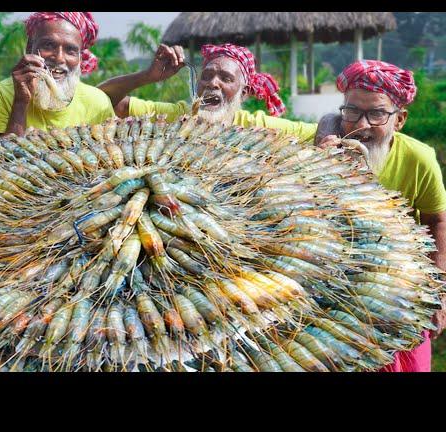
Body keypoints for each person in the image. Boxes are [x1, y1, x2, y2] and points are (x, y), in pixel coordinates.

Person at [315, 60, 446, 371]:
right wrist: (323, 139)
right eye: (352, 112)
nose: (362, 124)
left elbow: (437, 221)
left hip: (400, 294)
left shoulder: (419, 159)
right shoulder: (326, 151)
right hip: (337, 297)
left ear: (399, 120)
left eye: (376, 114)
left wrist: (439, 292)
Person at [98, 43, 317, 141]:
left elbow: (318, 129)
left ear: (244, 92)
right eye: (206, 75)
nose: (212, 83)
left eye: (226, 78)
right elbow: (102, 100)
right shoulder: (178, 115)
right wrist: (148, 76)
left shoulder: (254, 126)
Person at [0, 12, 115, 137]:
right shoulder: (2, 94)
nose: (59, 58)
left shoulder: (98, 103)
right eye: (48, 45)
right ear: (30, 47)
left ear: (80, 57)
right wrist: (20, 102)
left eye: (70, 50)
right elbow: (1, 157)